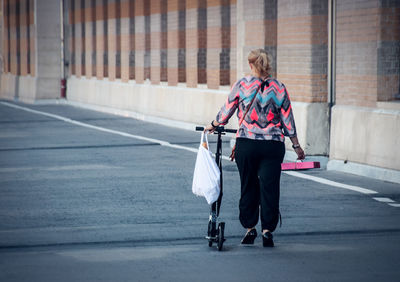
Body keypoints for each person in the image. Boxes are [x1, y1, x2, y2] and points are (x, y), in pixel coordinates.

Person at [204, 49, 305, 247]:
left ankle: (250, 228)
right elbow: (288, 120)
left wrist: (213, 125)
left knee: (248, 185)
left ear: (251, 65)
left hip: (247, 144)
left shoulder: (242, 85)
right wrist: (296, 146)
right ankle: (268, 231)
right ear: (267, 65)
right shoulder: (279, 87)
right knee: (270, 187)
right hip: (272, 146)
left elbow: (226, 111)